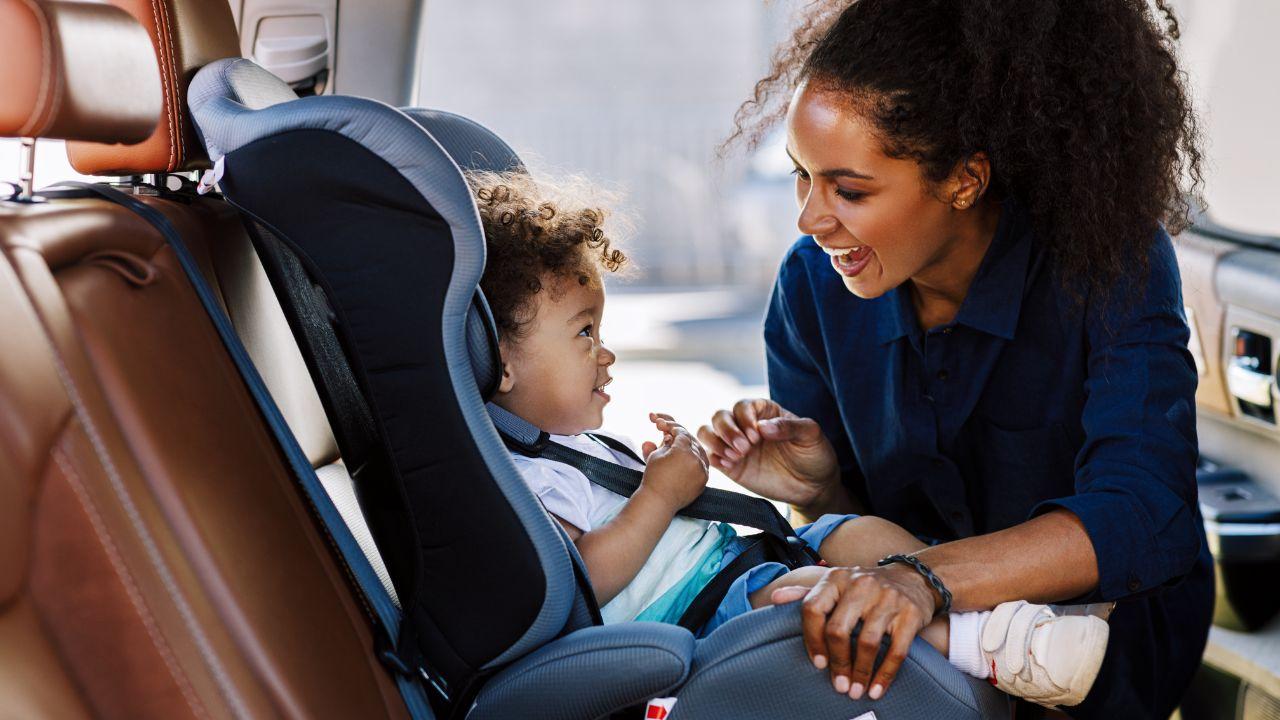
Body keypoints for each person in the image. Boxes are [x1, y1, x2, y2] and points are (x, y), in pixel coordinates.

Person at [699, 0, 1213, 717]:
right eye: (800, 175)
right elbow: (866, 539)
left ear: (964, 181)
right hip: (917, 638)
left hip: (1098, 644)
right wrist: (819, 492)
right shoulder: (813, 286)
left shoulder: (1107, 259)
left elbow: (1146, 515)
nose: (811, 219)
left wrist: (923, 578)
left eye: (848, 189)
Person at [468, 169, 1111, 708]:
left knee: (848, 531)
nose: (605, 355)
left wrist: (668, 472)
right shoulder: (523, 479)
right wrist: (659, 496)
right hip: (707, 608)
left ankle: (995, 614)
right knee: (819, 593)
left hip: (741, 564)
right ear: (501, 361)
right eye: (584, 335)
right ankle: (993, 651)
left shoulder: (572, 450)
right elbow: (582, 582)